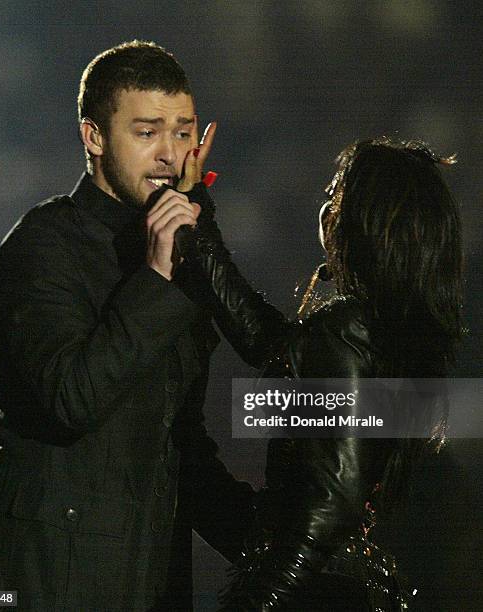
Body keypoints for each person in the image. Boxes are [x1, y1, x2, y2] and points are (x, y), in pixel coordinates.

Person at [0, 40, 285, 612]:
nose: (169, 153)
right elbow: (72, 396)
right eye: (147, 132)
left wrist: (286, 551)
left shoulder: (183, 256)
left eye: (183, 132)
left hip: (147, 582)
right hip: (37, 585)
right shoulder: (42, 244)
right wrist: (158, 275)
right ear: (94, 137)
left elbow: (180, 446)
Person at [183, 137, 463, 610]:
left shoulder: (348, 333)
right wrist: (196, 213)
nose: (326, 208)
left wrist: (253, 603)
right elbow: (264, 339)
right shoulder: (383, 334)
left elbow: (329, 505)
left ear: (365, 222)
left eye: (337, 193)